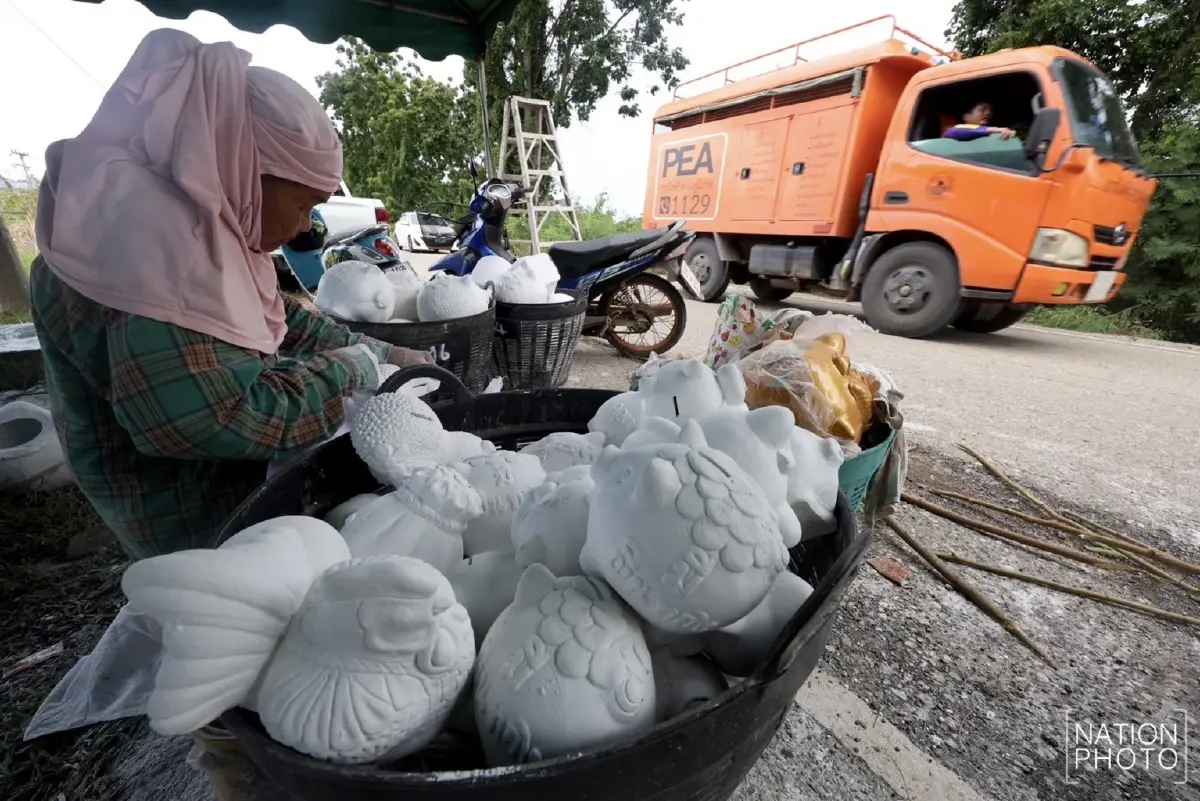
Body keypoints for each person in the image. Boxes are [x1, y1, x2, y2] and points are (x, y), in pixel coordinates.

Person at [29, 29, 429, 799]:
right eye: (304, 202)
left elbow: (275, 317)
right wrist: (351, 374)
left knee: (258, 589)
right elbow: (204, 417)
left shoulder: (203, 209)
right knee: (224, 622)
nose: (306, 227)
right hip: (165, 488)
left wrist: (379, 350)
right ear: (251, 167)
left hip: (207, 467)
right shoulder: (148, 243)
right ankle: (235, 756)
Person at [942, 101, 1017, 141]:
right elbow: (953, 132)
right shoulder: (955, 130)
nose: (988, 113)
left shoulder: (989, 132)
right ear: (966, 117)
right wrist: (993, 130)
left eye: (990, 111)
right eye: (982, 110)